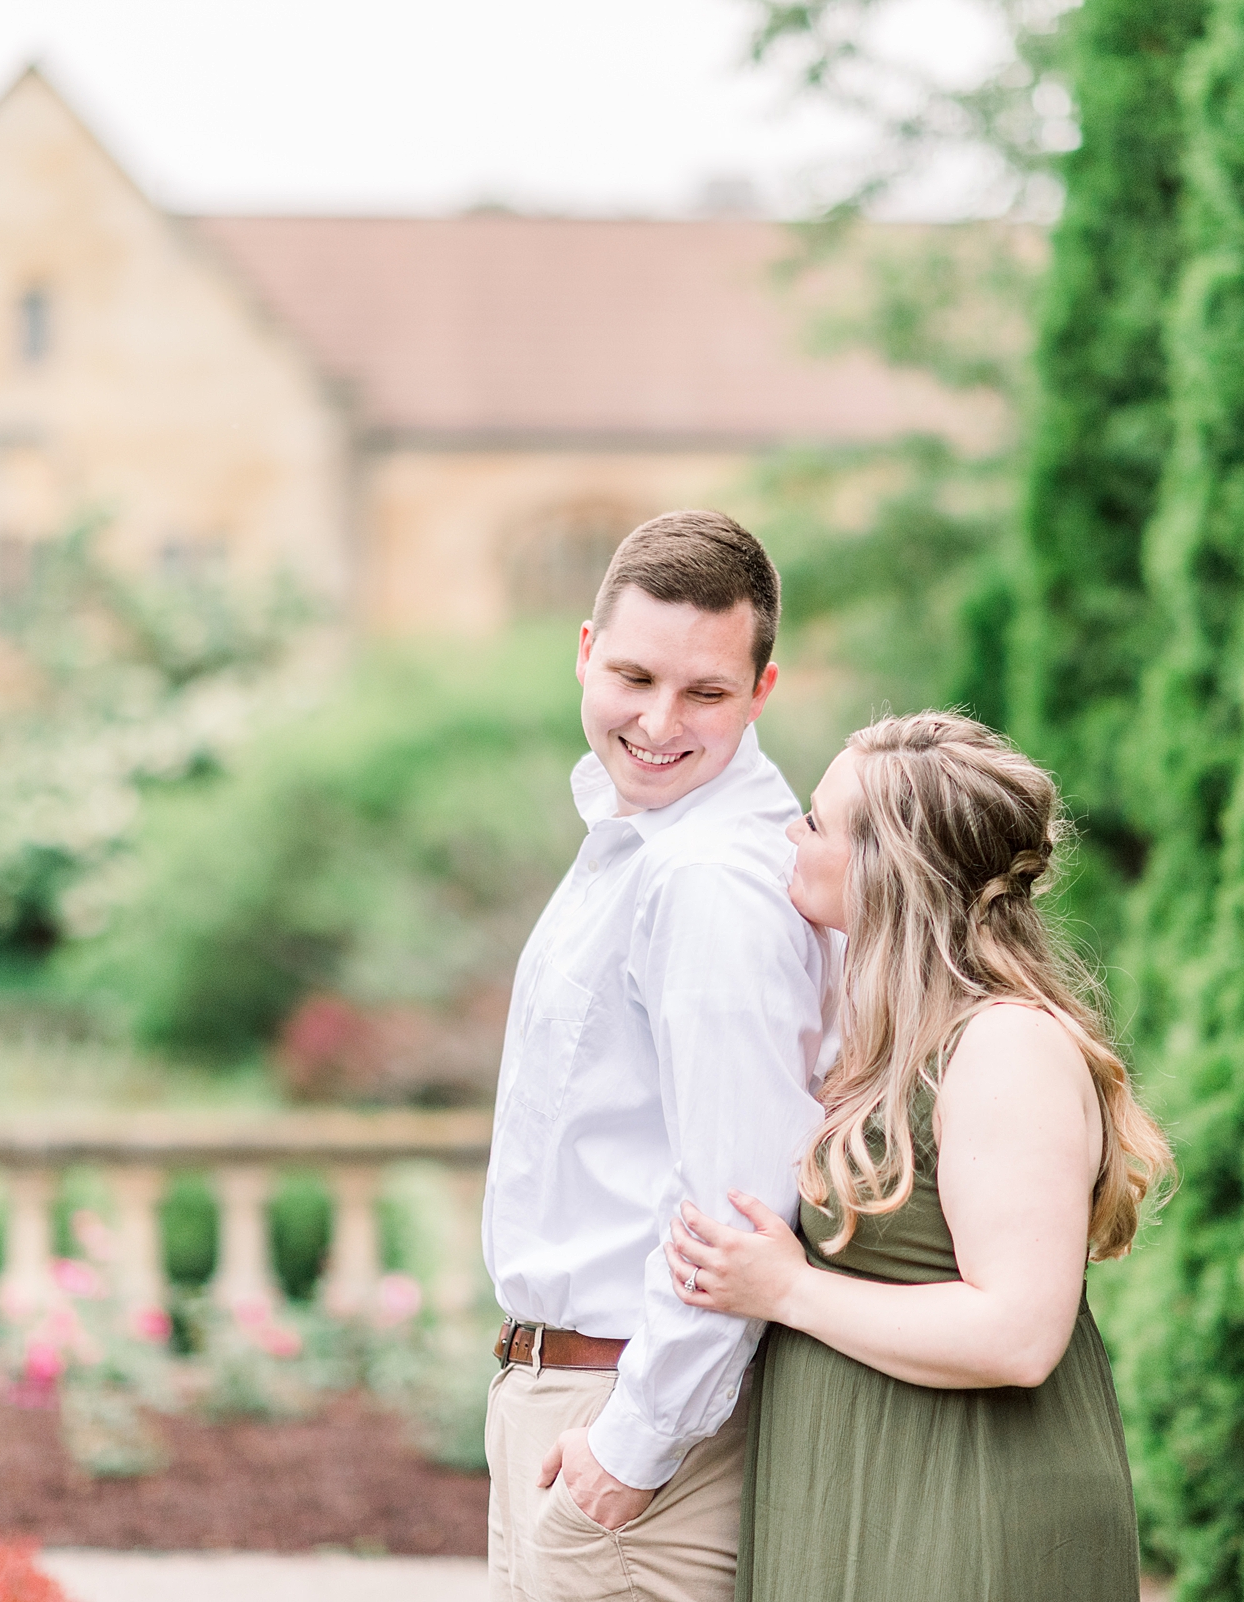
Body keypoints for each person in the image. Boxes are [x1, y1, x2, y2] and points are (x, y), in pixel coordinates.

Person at [664, 711, 1173, 1601]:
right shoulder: (890, 1041)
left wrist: (789, 1290)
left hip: (967, 1504)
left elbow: (1018, 1333)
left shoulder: (1006, 1047)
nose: (794, 834)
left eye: (818, 822)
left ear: (887, 868)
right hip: (855, 1487)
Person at [483, 510, 835, 1602]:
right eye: (633, 675)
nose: (658, 721)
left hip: (636, 1444)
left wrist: (628, 1452)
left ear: (762, 693)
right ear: (585, 652)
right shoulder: (643, 841)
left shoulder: (710, 882)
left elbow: (739, 1204)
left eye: (707, 693)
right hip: (571, 1410)